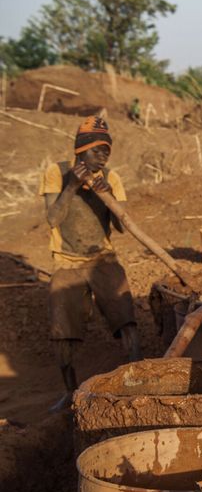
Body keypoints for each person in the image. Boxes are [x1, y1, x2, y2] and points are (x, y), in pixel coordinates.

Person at [40, 115, 141, 411]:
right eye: (96, 151)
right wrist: (72, 186)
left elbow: (122, 227)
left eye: (106, 152)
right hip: (67, 261)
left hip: (102, 258)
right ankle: (69, 393)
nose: (101, 157)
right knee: (63, 330)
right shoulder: (57, 173)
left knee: (127, 320)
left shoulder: (111, 177)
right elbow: (52, 219)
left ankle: (138, 384)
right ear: (79, 150)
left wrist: (107, 195)